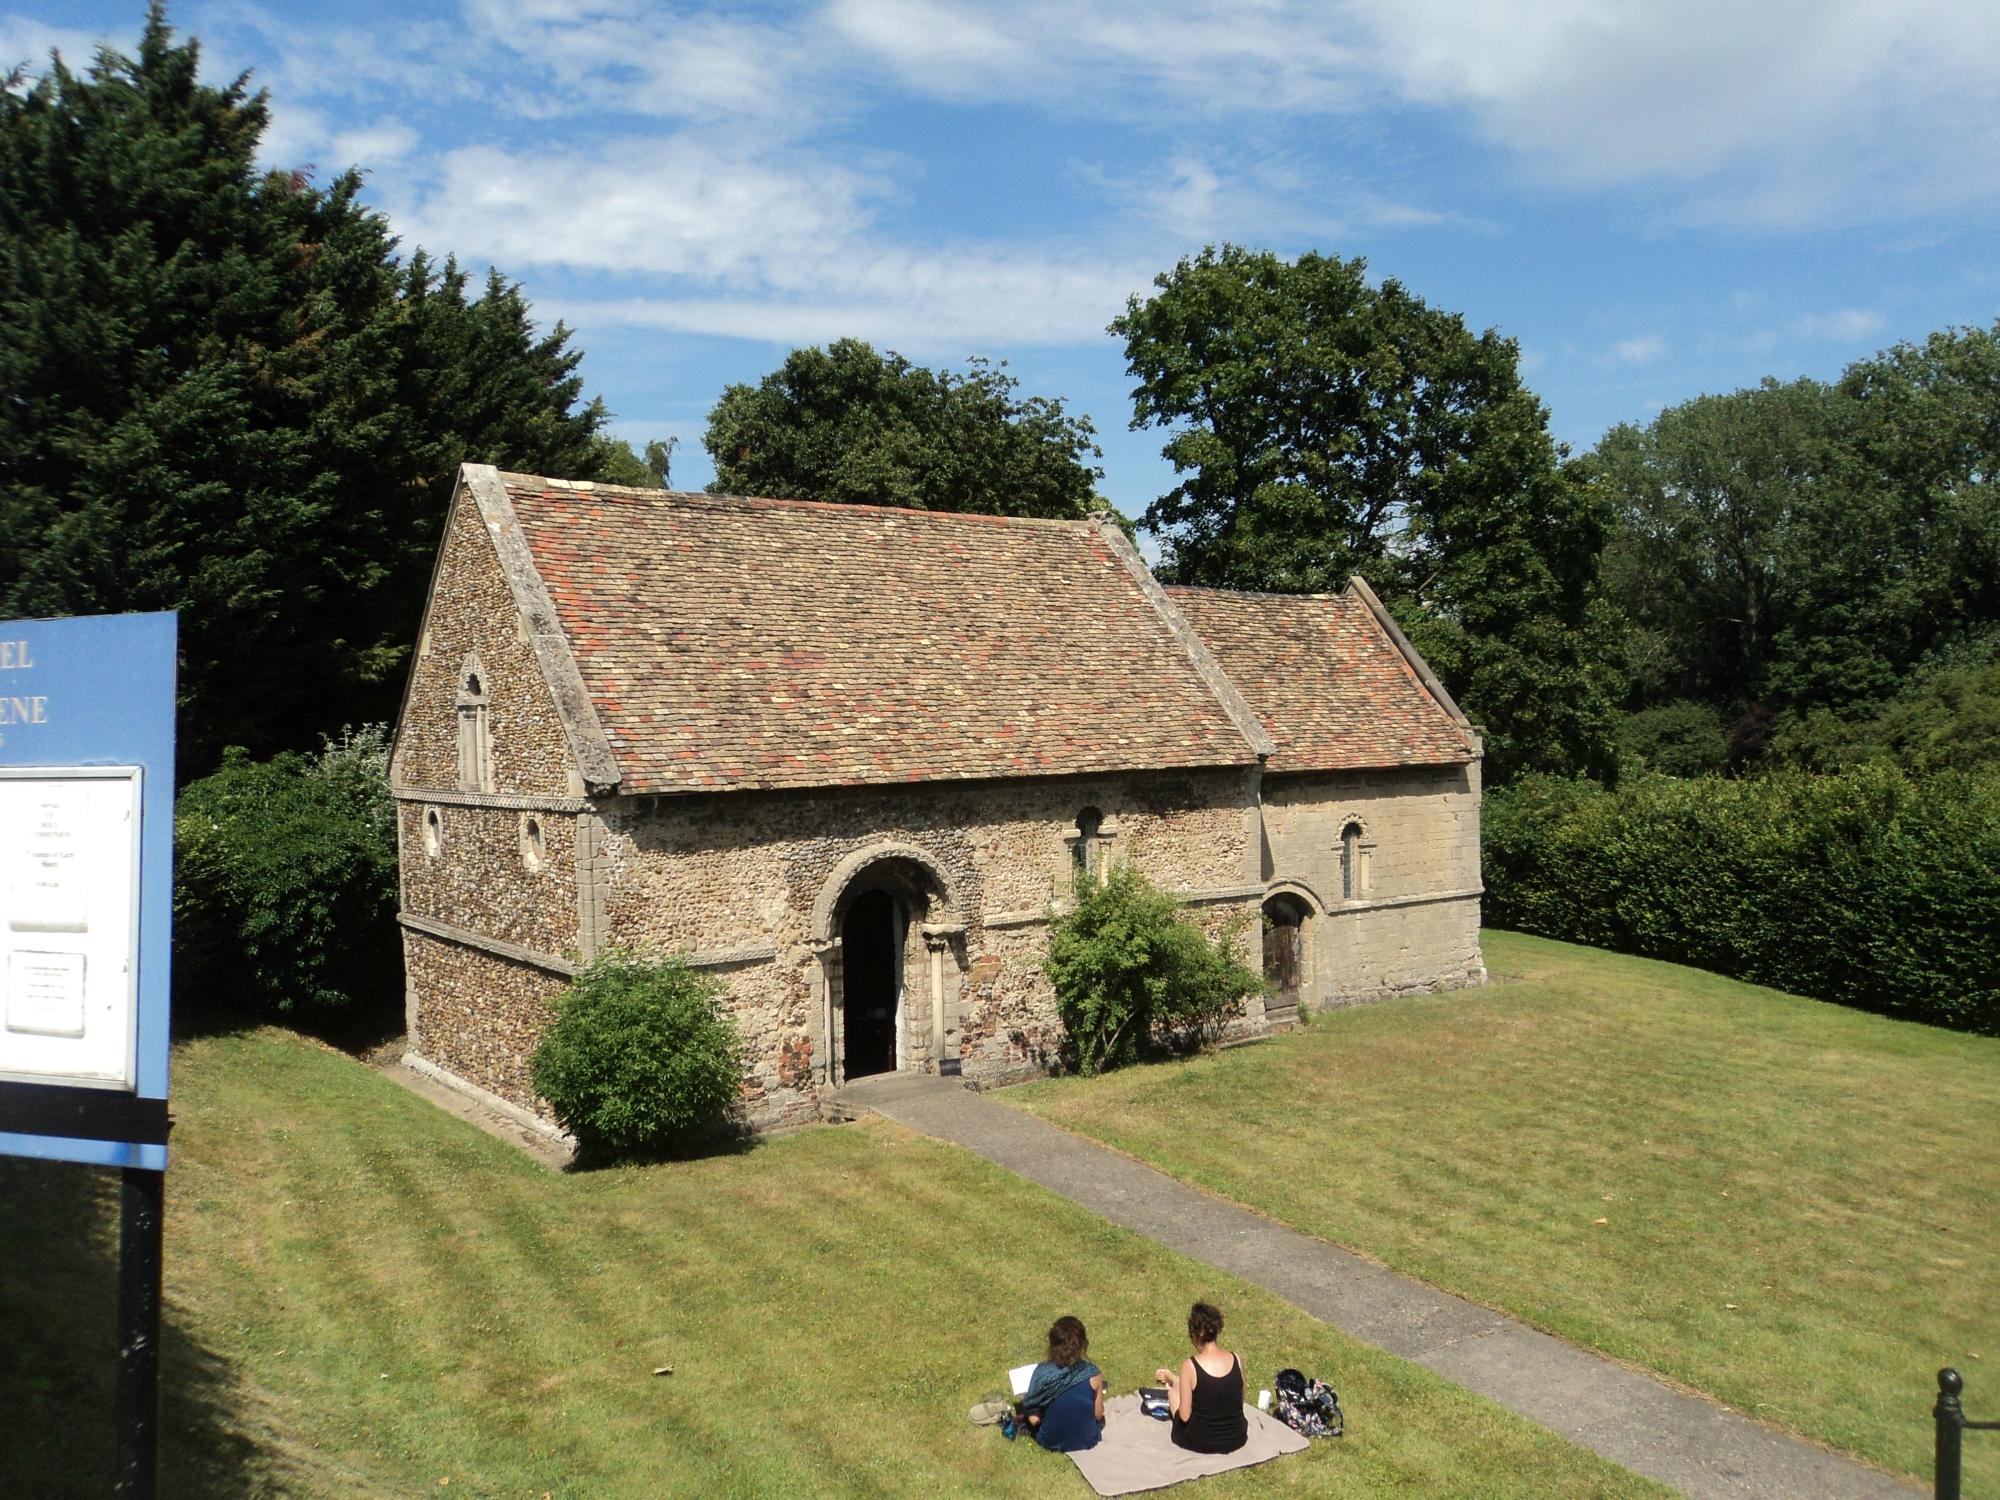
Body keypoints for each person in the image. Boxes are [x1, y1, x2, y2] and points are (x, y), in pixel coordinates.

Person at [1155, 1301, 1248, 1455]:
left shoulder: (1190, 1365)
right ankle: (1176, 1381)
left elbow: (1184, 1416)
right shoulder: (1237, 1359)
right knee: (1199, 1389)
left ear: (1195, 1335)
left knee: (1172, 1394)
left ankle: (1176, 1383)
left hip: (1200, 1441)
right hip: (1236, 1437)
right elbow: (1240, 1399)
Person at [1021, 1315, 1104, 1452]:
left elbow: (1034, 1420)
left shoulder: (1042, 1373)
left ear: (1052, 1344)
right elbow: (1098, 1415)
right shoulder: (1093, 1374)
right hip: (1088, 1440)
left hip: (1049, 1441)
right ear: (1082, 1345)